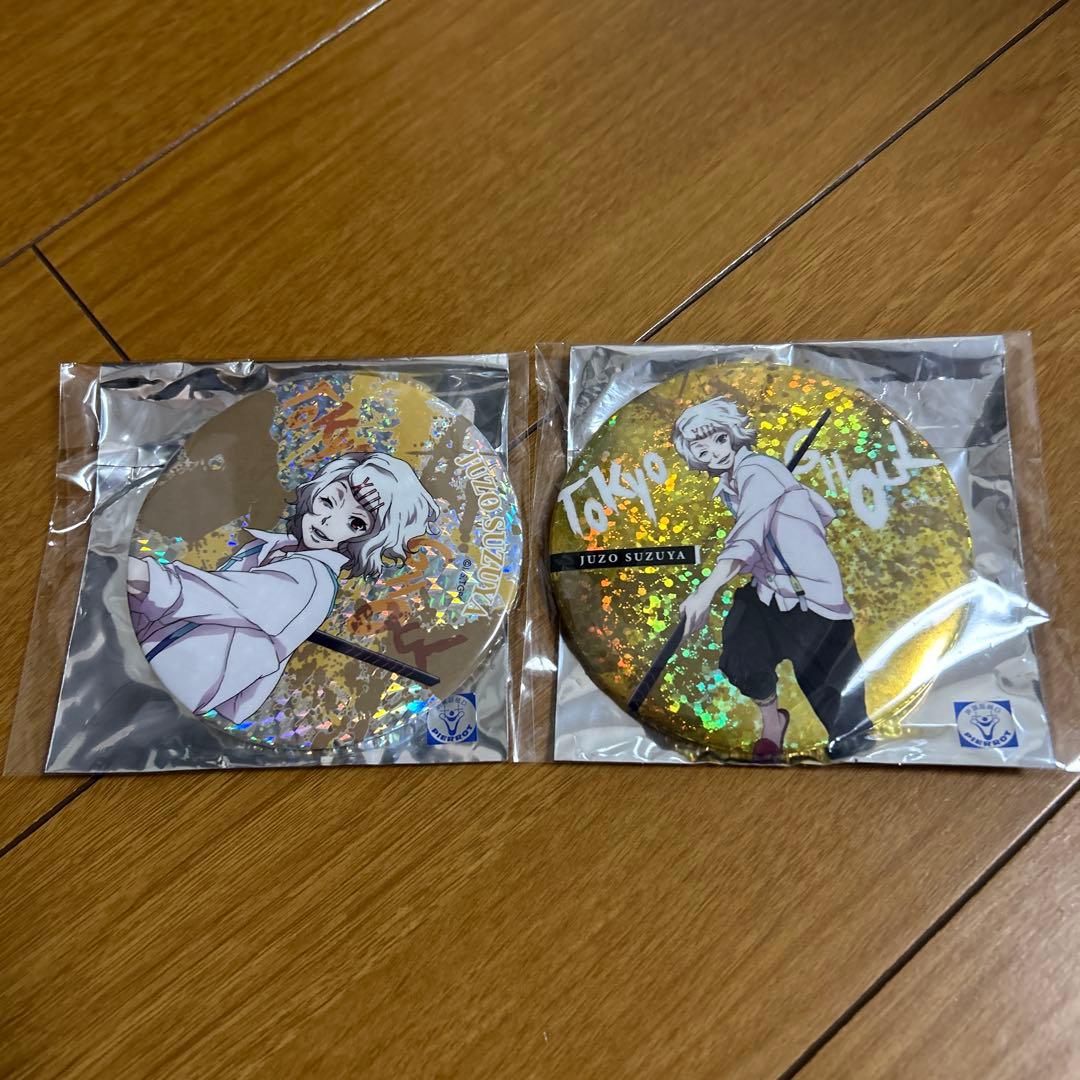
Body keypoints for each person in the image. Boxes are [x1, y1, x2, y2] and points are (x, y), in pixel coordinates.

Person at [128, 451, 438, 724]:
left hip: (176, 684)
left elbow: (222, 595)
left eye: (356, 523)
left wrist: (147, 577)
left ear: (370, 538)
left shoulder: (310, 579)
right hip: (154, 663)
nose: (328, 521)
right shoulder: (272, 550)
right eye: (328, 501)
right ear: (315, 492)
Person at [673, 397, 874, 761]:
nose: (714, 452)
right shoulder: (731, 485)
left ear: (733, 433)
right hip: (767, 592)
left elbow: (746, 540)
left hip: (811, 599)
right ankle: (773, 723)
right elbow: (759, 542)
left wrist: (706, 591)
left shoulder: (759, 471)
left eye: (719, 439)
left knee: (834, 697)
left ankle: (855, 749)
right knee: (740, 657)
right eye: (701, 450)